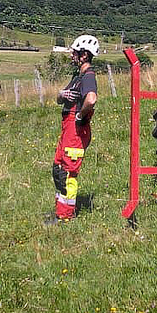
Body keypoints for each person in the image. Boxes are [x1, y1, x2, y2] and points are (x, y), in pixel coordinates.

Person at [51, 35, 99, 223]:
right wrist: (61, 94)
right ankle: (60, 211)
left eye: (75, 52)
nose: (72, 55)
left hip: (75, 130)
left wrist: (79, 116)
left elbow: (91, 99)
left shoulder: (88, 77)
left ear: (84, 55)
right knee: (59, 168)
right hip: (68, 129)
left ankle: (64, 216)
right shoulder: (77, 77)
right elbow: (58, 98)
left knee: (68, 172)